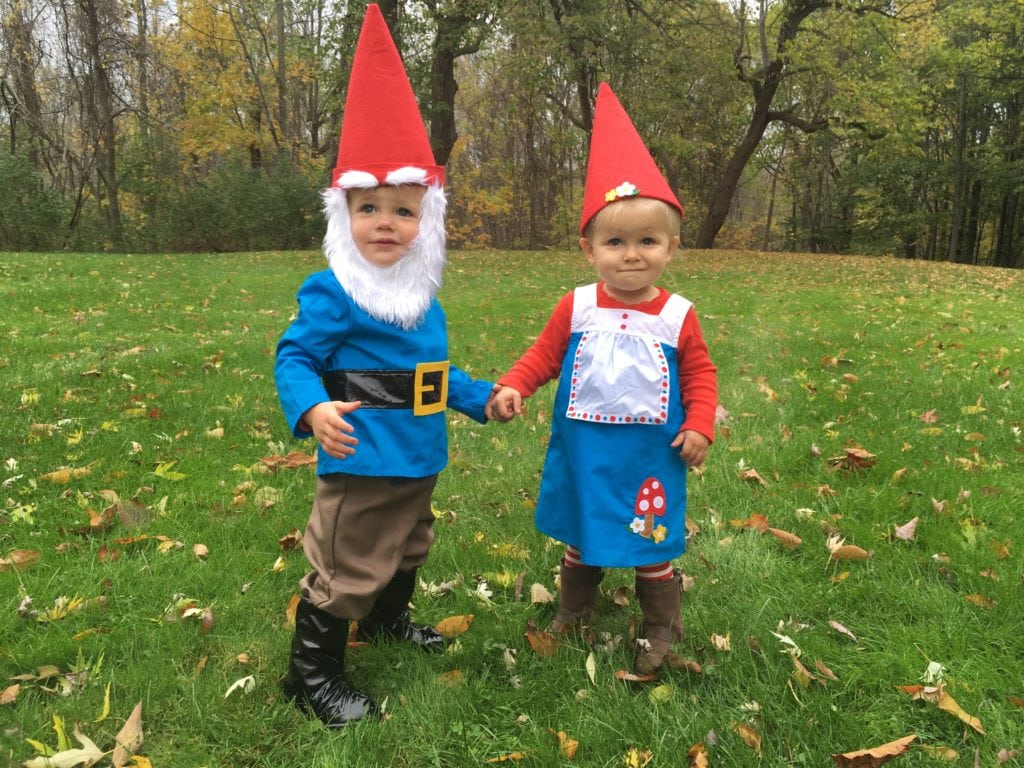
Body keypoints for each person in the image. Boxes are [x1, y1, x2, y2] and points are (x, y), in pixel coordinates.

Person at [274, 4, 497, 728]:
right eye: (368, 207)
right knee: (347, 567)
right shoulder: (337, 291)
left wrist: (481, 398)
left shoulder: (420, 295)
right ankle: (311, 674)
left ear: (424, 221)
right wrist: (312, 408)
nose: (385, 223)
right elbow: (295, 354)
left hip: (419, 454)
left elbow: (431, 374)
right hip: (362, 458)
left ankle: (387, 620)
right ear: (345, 214)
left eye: (403, 210)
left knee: (407, 547)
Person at [487, 83, 718, 675]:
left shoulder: (676, 314)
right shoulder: (579, 306)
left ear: (671, 247)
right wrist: (515, 384)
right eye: (616, 242)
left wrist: (699, 425)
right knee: (585, 531)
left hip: (649, 455)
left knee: (651, 536)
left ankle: (661, 624)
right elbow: (543, 354)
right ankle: (574, 611)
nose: (631, 254)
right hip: (586, 450)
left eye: (648, 241)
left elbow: (699, 371)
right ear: (590, 249)